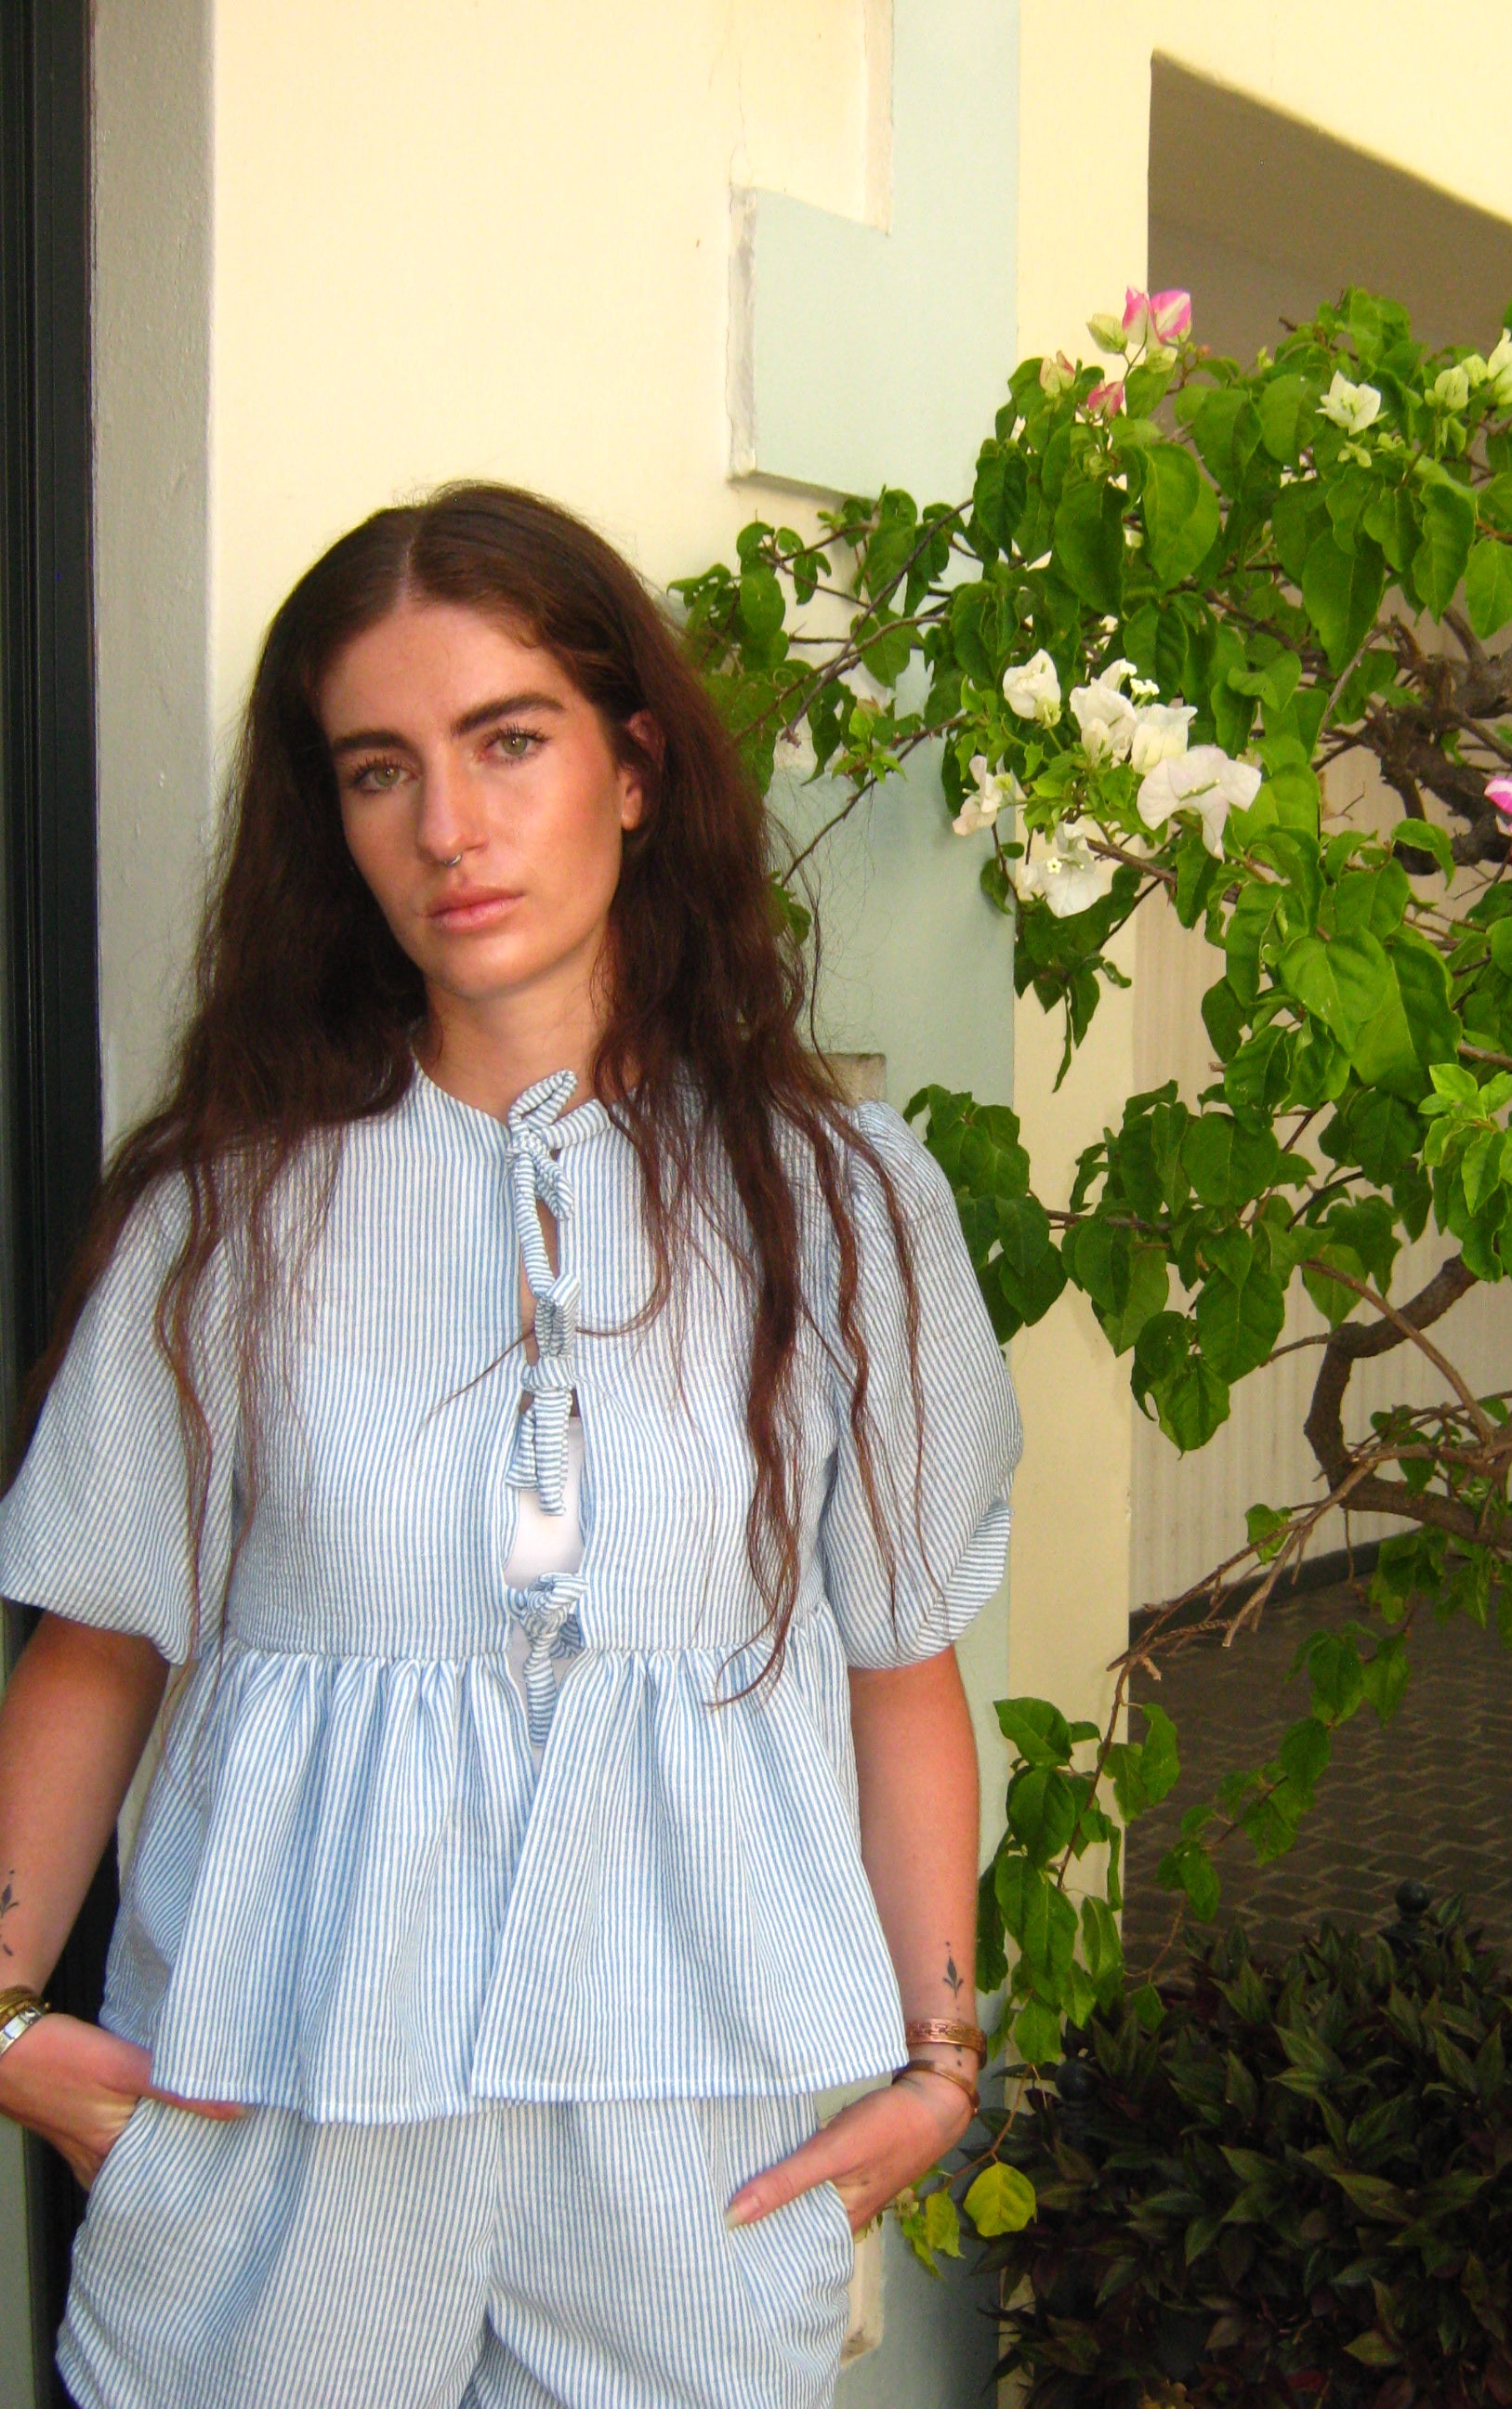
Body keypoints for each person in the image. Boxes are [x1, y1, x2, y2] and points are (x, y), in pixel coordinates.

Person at [0, 484, 1021, 2409]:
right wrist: (4, 2025)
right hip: (289, 2117)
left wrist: (940, 2059)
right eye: (379, 771)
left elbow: (900, 1663)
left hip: (692, 2142)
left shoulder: (845, 1206)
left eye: (508, 742)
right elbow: (100, 1641)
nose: (447, 830)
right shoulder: (226, 1219)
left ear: (633, 769)